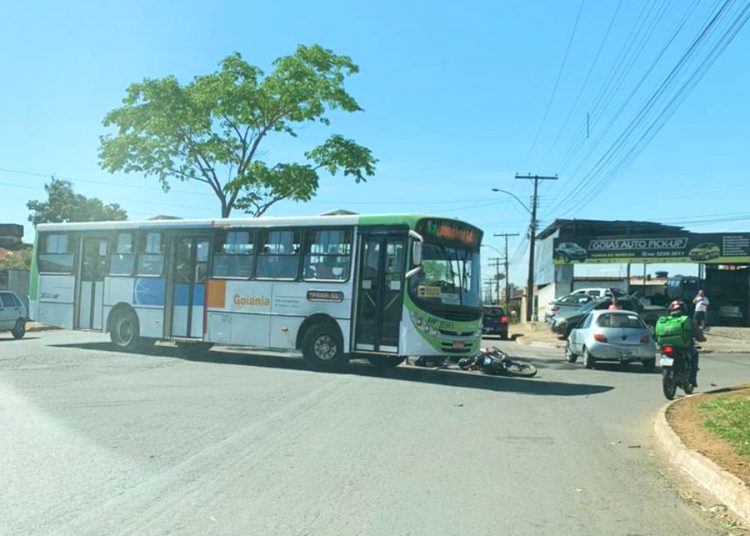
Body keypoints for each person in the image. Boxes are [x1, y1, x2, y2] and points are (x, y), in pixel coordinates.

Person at [668, 299, 706, 387]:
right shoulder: (688, 321)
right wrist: (702, 339)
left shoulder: (665, 321)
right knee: (695, 354)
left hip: (667, 347)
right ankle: (692, 378)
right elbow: (698, 334)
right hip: (684, 347)